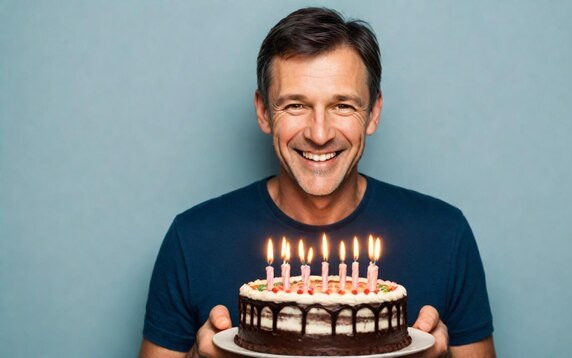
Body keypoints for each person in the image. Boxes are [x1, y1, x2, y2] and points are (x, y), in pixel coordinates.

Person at [139, 7, 495, 358]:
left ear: (373, 113)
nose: (320, 134)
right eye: (295, 105)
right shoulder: (193, 239)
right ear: (264, 112)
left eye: (342, 106)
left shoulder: (445, 235)